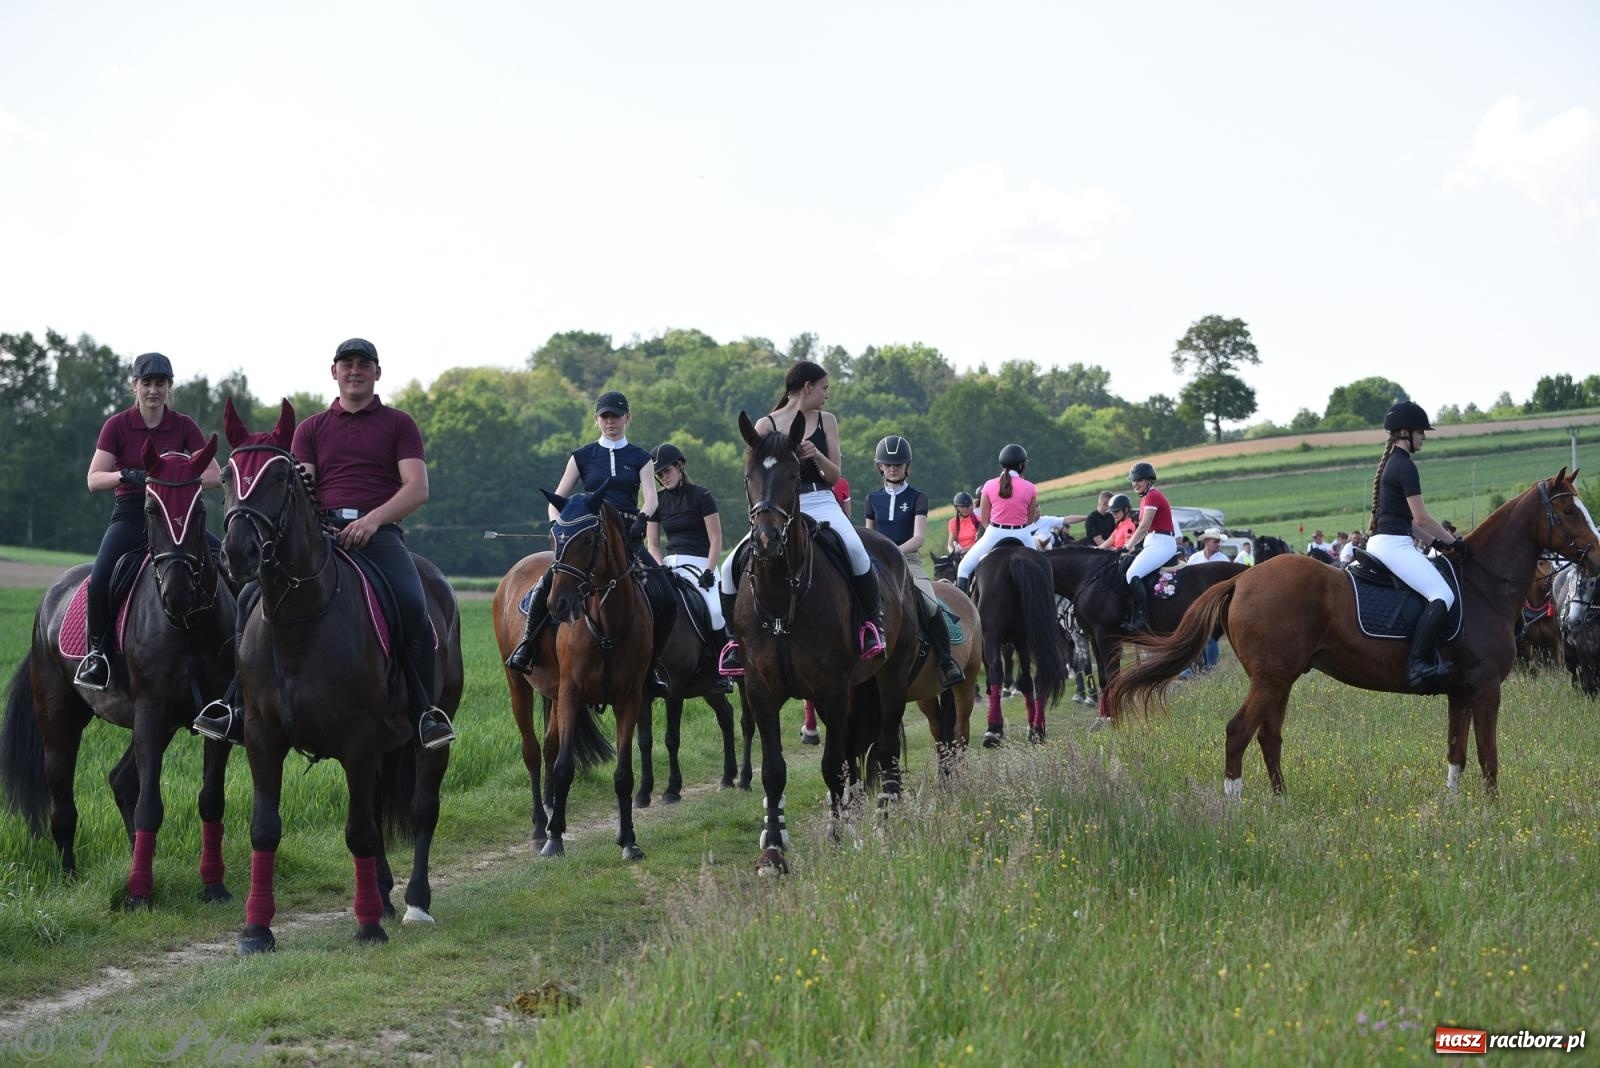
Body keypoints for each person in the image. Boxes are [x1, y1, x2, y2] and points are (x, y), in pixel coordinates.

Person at [193, 338, 453, 748]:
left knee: (412, 605)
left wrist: (372, 520)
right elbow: (303, 488)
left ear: (377, 372)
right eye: (347, 364)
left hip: (380, 536)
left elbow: (417, 488)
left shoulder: (399, 424)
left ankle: (424, 712)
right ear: (334, 372)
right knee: (246, 601)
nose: (355, 371)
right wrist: (317, 528)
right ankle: (238, 706)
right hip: (323, 537)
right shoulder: (311, 428)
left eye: (363, 364)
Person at [718, 361, 885, 675]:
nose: (826, 395)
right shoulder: (766, 425)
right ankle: (733, 643)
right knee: (728, 567)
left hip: (820, 499)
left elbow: (834, 476)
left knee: (856, 550)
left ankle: (872, 627)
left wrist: (816, 455)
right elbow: (755, 473)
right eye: (824, 388)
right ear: (807, 387)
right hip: (776, 506)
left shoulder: (826, 421)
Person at [77, 352, 221, 691]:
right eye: (147, 383)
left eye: (160, 383)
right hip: (132, 514)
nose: (153, 390)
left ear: (170, 387)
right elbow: (94, 479)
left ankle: (234, 649)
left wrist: (176, 481)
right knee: (101, 576)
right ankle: (97, 655)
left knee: (226, 563)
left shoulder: (184, 426)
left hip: (178, 517)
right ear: (135, 386)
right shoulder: (117, 425)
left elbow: (214, 476)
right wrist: (126, 475)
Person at [505, 390, 660, 675]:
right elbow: (556, 500)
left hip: (627, 537)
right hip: (589, 538)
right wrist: (559, 528)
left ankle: (653, 665)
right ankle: (527, 645)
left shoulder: (641, 457)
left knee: (665, 591)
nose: (610, 421)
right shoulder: (582, 456)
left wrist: (642, 519)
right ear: (596, 420)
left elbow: (651, 498)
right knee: (548, 584)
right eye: (605, 416)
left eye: (616, 416)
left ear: (628, 417)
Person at [1366, 400, 1463, 690]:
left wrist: (1438, 543)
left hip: (1386, 542)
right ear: (1405, 432)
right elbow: (1422, 517)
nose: (1424, 437)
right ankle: (1418, 663)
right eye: (1420, 432)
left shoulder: (1392, 463)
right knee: (1443, 595)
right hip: (1393, 545)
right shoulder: (1405, 466)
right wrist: (1455, 541)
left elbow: (1412, 524)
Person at [863, 435, 963, 688]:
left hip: (908, 561)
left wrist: (892, 552)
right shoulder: (872, 499)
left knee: (930, 604)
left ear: (907, 466)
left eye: (898, 464)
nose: (893, 468)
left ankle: (946, 661)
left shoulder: (918, 497)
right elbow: (870, 535)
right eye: (888, 464)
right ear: (880, 466)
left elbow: (918, 538)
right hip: (878, 563)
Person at [645, 442, 732, 694]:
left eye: (667, 471)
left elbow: (716, 538)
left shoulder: (701, 495)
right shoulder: (657, 502)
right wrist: (660, 567)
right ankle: (649, 669)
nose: (663, 477)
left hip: (701, 563)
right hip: (669, 565)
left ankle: (721, 671)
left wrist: (709, 570)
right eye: (659, 474)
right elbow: (653, 544)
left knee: (715, 611)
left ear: (680, 466)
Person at [954, 444, 1038, 594]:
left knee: (963, 569)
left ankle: (963, 608)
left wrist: (995, 529)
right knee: (1042, 569)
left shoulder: (989, 485)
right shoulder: (1030, 487)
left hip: (995, 533)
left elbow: (984, 519)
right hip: (1022, 534)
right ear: (1021, 465)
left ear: (1002, 465)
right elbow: (1029, 520)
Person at [1120, 461, 1178, 632]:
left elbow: (1144, 526)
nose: (1135, 484)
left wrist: (1128, 546)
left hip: (1162, 542)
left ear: (1149, 480)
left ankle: (1144, 618)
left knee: (1132, 574)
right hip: (1154, 542)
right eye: (1133, 481)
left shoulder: (1152, 496)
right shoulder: (1145, 498)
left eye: (1139, 480)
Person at [947, 491, 983, 557]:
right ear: (956, 507)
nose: (965, 509)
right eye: (962, 507)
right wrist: (953, 553)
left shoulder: (978, 520)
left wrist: (967, 550)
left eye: (967, 506)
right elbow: (950, 545)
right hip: (960, 555)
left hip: (976, 552)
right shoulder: (952, 522)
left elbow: (981, 542)